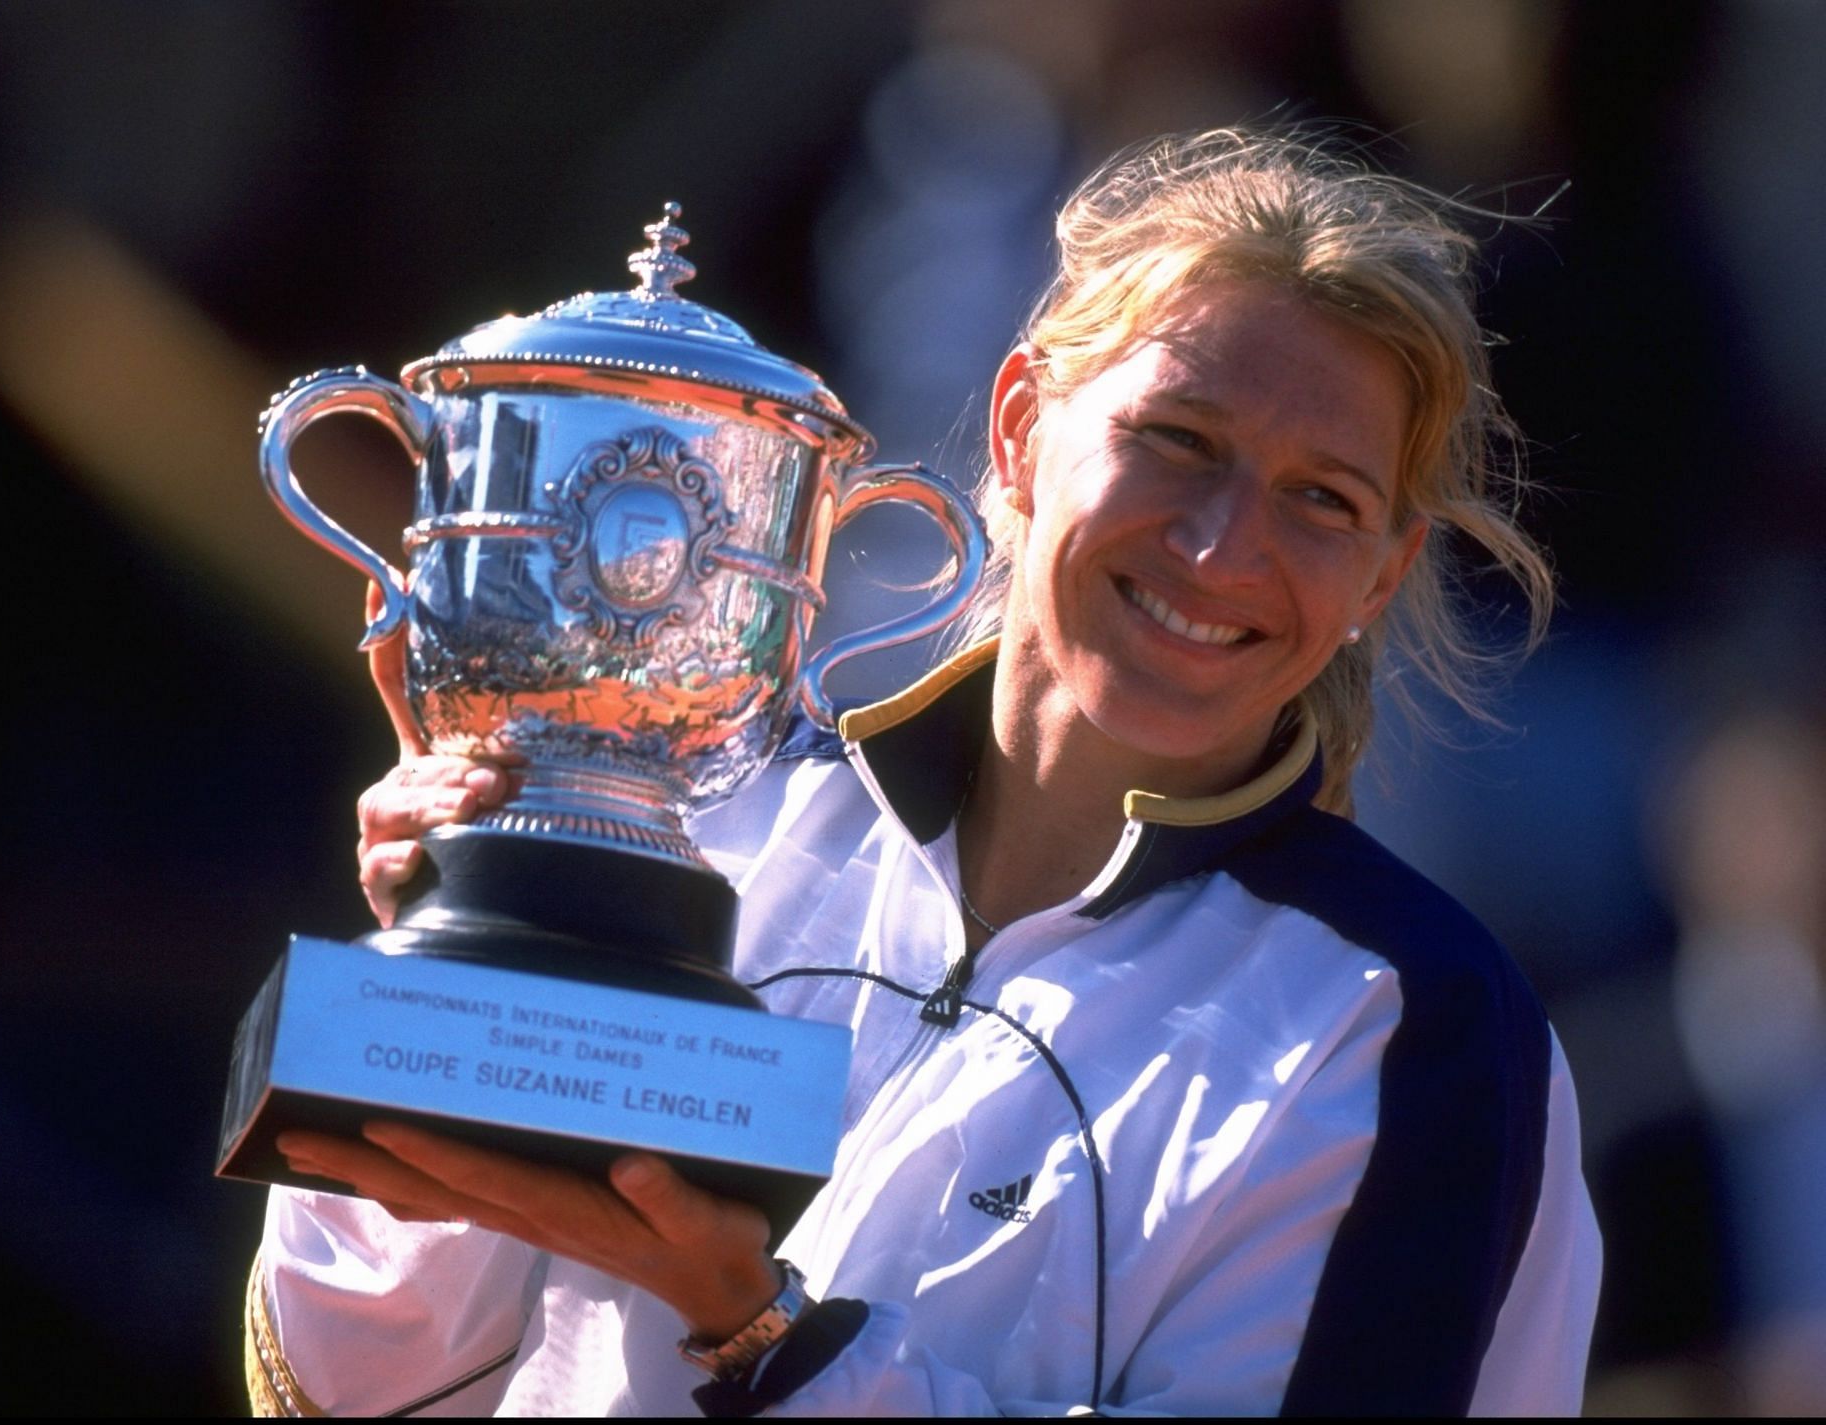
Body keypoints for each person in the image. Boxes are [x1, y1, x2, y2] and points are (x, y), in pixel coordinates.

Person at [246, 129, 1601, 1416]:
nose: (1219, 544)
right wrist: (457, 976)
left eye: (1324, 499)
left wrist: (768, 1336)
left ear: (1385, 573)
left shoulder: (1415, 1031)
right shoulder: (712, 827)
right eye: (1176, 438)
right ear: (1020, 428)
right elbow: (350, 1386)